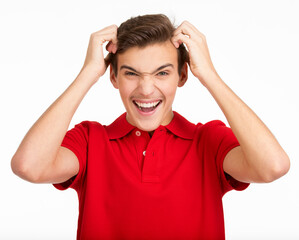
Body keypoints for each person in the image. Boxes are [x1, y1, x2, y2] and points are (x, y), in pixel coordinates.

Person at [11, 14, 290, 239]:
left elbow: (273, 166)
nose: (146, 89)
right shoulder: (90, 140)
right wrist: (88, 73)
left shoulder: (208, 141)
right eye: (131, 73)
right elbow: (29, 166)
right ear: (113, 77)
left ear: (182, 76)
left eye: (162, 73)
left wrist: (209, 75)